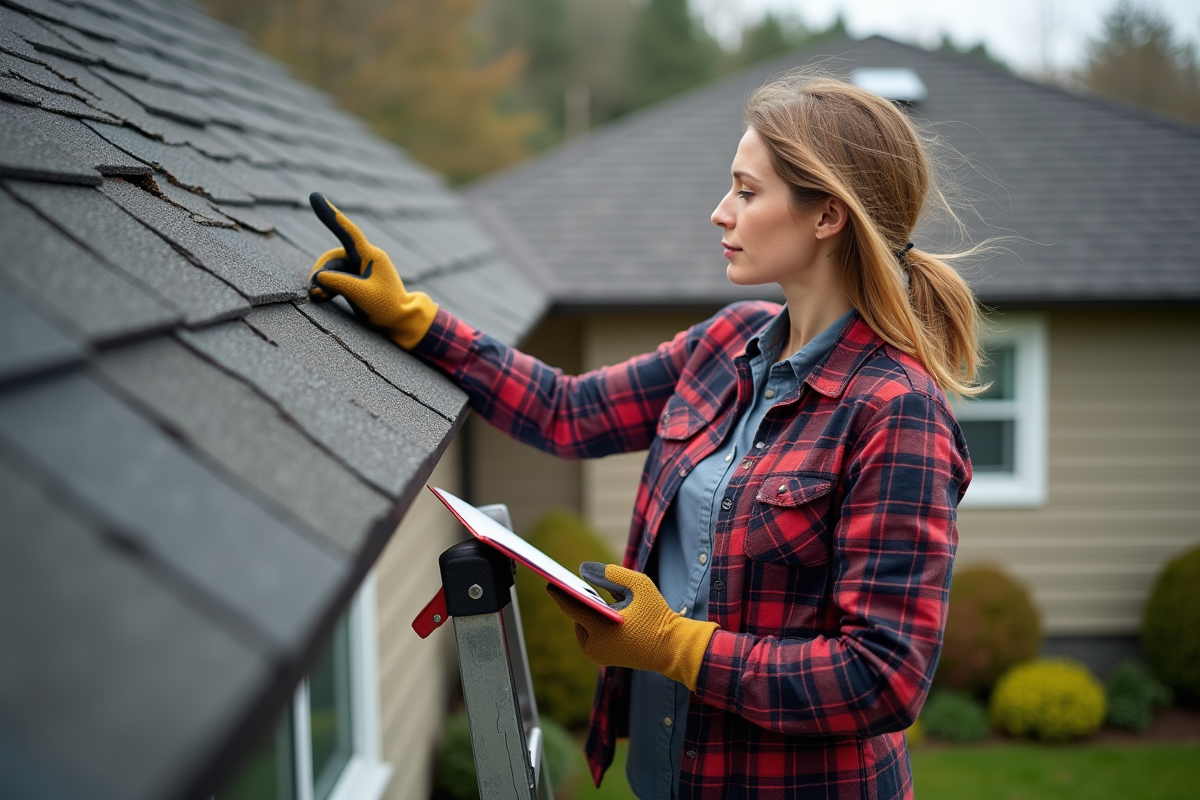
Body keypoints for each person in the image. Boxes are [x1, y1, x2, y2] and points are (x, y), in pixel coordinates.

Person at [307, 72, 978, 800]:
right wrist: (412, 318)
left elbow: (882, 679)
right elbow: (567, 411)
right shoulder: (728, 344)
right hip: (670, 774)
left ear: (826, 216)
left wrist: (671, 646)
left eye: (748, 193)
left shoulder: (894, 410)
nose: (721, 213)